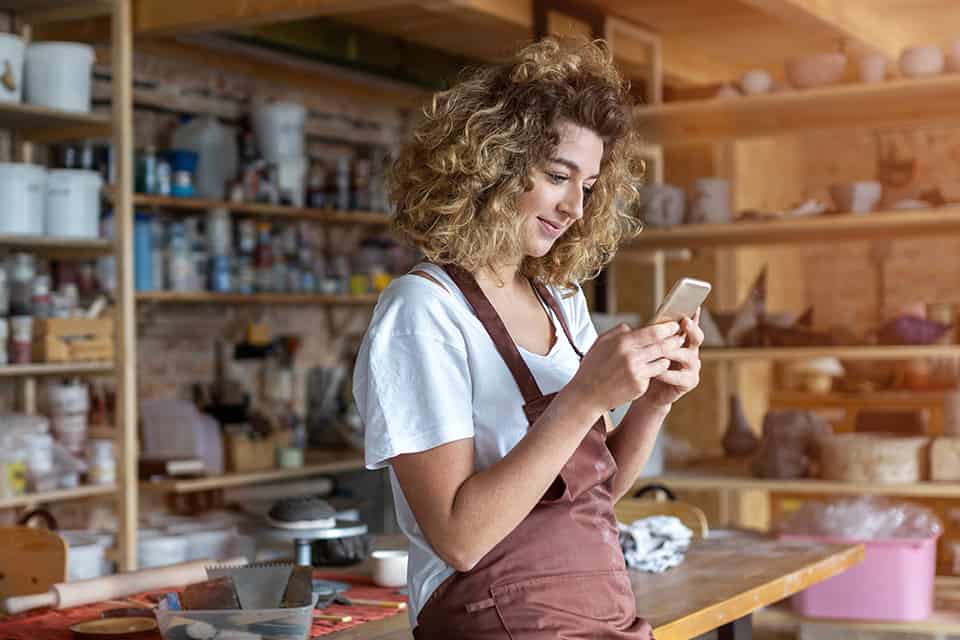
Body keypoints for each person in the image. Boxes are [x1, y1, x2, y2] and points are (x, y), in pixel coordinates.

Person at [354, 36, 704, 639]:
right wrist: (584, 399)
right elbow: (460, 539)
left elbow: (595, 497)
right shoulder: (423, 311)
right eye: (557, 175)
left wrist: (653, 402)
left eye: (589, 186)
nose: (574, 206)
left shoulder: (561, 301)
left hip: (606, 615)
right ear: (492, 166)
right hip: (499, 623)